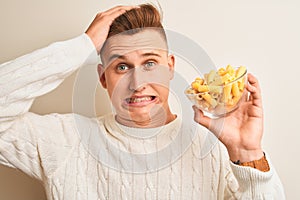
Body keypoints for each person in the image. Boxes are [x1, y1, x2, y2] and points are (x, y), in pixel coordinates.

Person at [0, 4, 285, 200]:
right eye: (121, 67)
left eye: (150, 63)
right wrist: (81, 46)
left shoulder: (215, 149)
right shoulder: (63, 141)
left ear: (170, 67)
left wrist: (247, 153)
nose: (137, 84)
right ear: (103, 77)